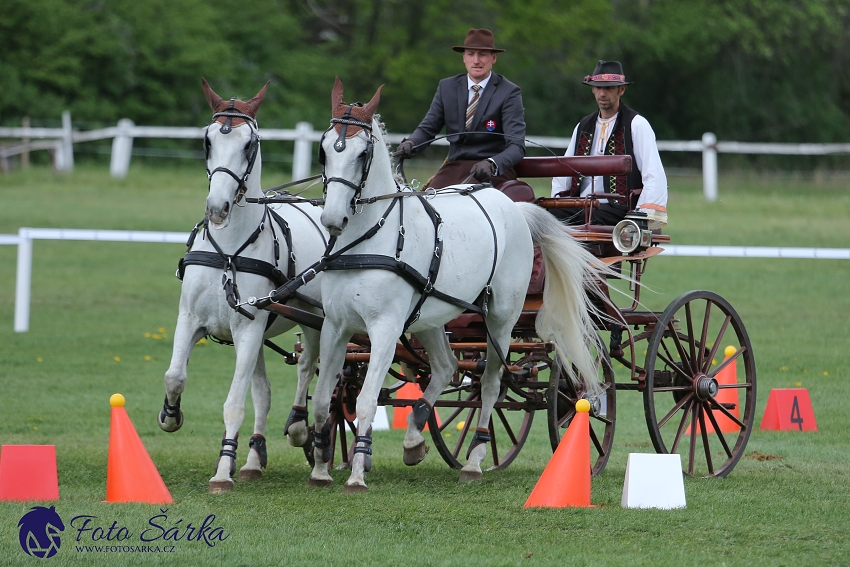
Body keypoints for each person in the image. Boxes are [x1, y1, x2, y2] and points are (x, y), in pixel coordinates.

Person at [396, 28, 526, 189]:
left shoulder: (509, 92)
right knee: (426, 203)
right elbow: (428, 128)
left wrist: (492, 163)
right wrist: (411, 142)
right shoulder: (447, 87)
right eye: (471, 54)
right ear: (464, 57)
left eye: (482, 54)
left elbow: (517, 146)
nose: (476, 60)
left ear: (494, 58)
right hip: (454, 168)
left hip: (491, 172)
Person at [551, 60, 668, 228]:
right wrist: (557, 201)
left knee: (590, 217)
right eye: (598, 88)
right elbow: (564, 170)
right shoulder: (583, 126)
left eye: (608, 88)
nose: (602, 93)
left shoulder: (636, 124)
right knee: (546, 216)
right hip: (581, 205)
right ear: (592, 89)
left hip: (618, 208)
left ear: (621, 90)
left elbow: (653, 174)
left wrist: (641, 215)